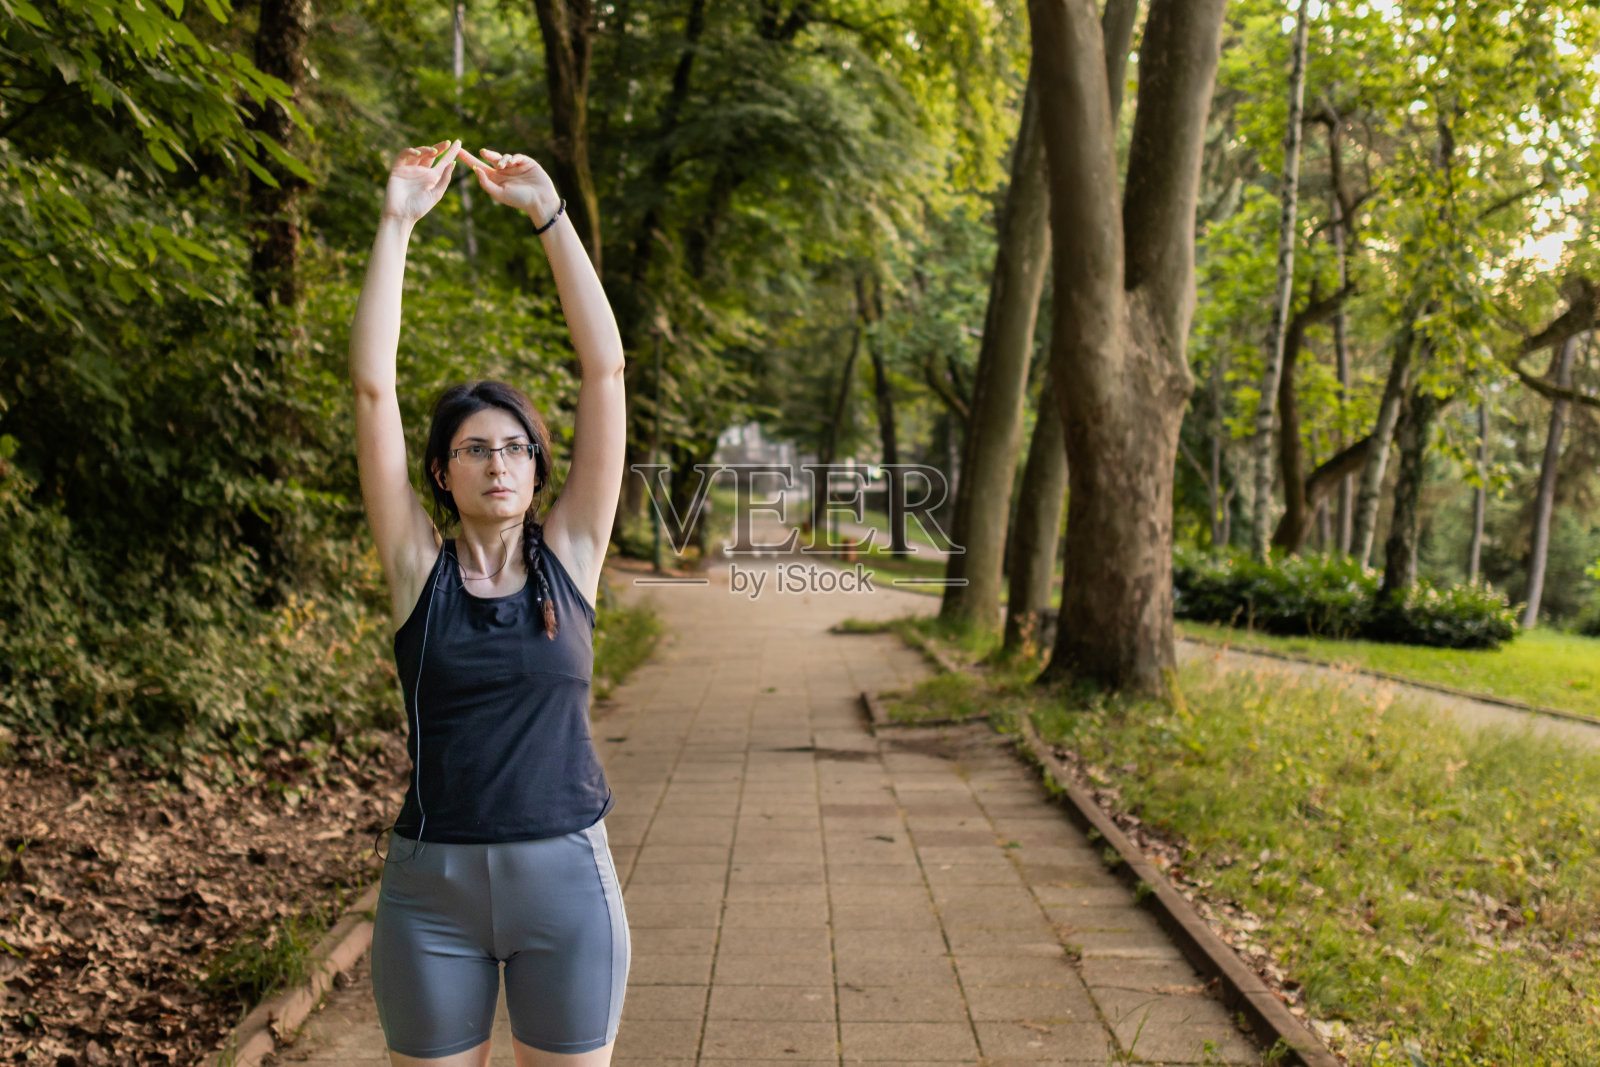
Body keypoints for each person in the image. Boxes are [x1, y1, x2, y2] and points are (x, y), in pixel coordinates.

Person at [348, 138, 630, 1067]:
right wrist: (396, 221)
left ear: (537, 465)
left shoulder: (574, 556)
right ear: (442, 470)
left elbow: (605, 374)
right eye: (476, 447)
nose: (500, 462)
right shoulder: (415, 570)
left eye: (515, 446)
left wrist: (551, 218)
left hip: (567, 885)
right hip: (432, 894)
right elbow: (373, 388)